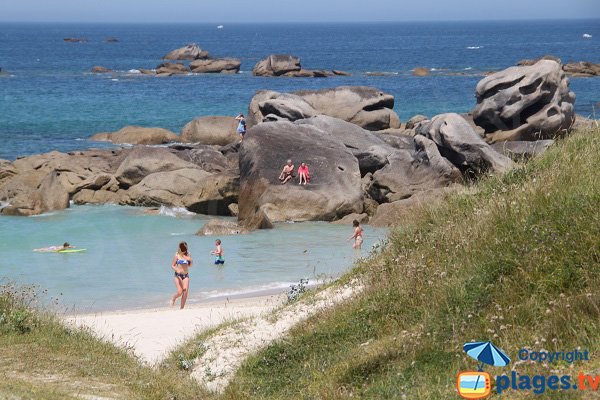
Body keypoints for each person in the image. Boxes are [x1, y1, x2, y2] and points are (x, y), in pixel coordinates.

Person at [170, 241, 193, 309]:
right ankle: (173, 298)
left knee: (185, 291)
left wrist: (189, 260)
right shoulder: (177, 255)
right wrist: (176, 269)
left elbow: (190, 265)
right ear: (180, 248)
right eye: (183, 248)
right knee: (180, 292)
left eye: (185, 248)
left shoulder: (188, 254)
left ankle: (182, 308)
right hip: (178, 275)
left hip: (185, 275)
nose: (185, 250)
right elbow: (172, 265)